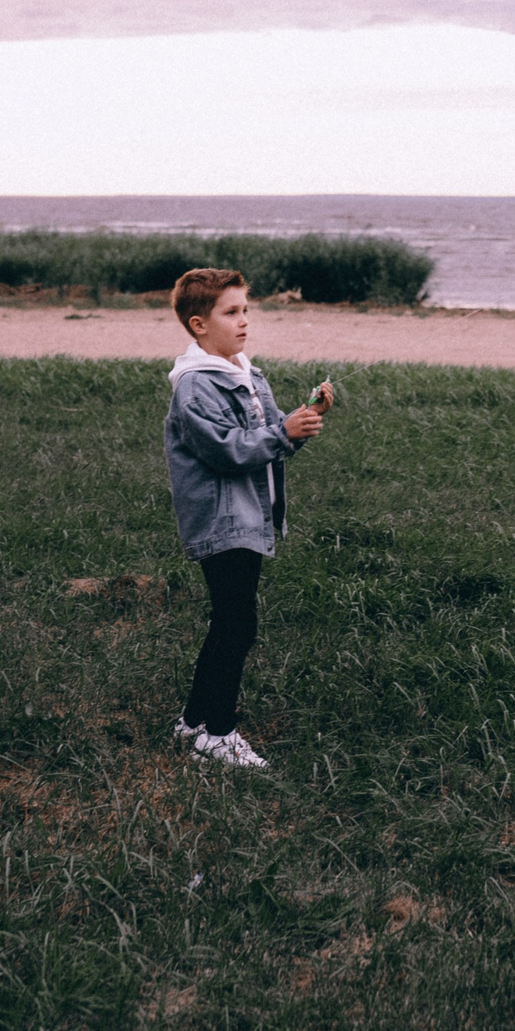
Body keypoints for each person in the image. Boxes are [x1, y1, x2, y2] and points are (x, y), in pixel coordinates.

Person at [164, 268, 326, 769]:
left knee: (229, 622)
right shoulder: (195, 388)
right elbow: (228, 451)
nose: (243, 321)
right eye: (230, 312)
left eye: (246, 310)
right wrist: (282, 435)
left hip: (250, 516)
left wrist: (299, 424)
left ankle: (193, 720)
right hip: (221, 520)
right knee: (237, 624)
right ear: (198, 325)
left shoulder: (247, 372)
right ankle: (219, 733)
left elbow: (268, 439)